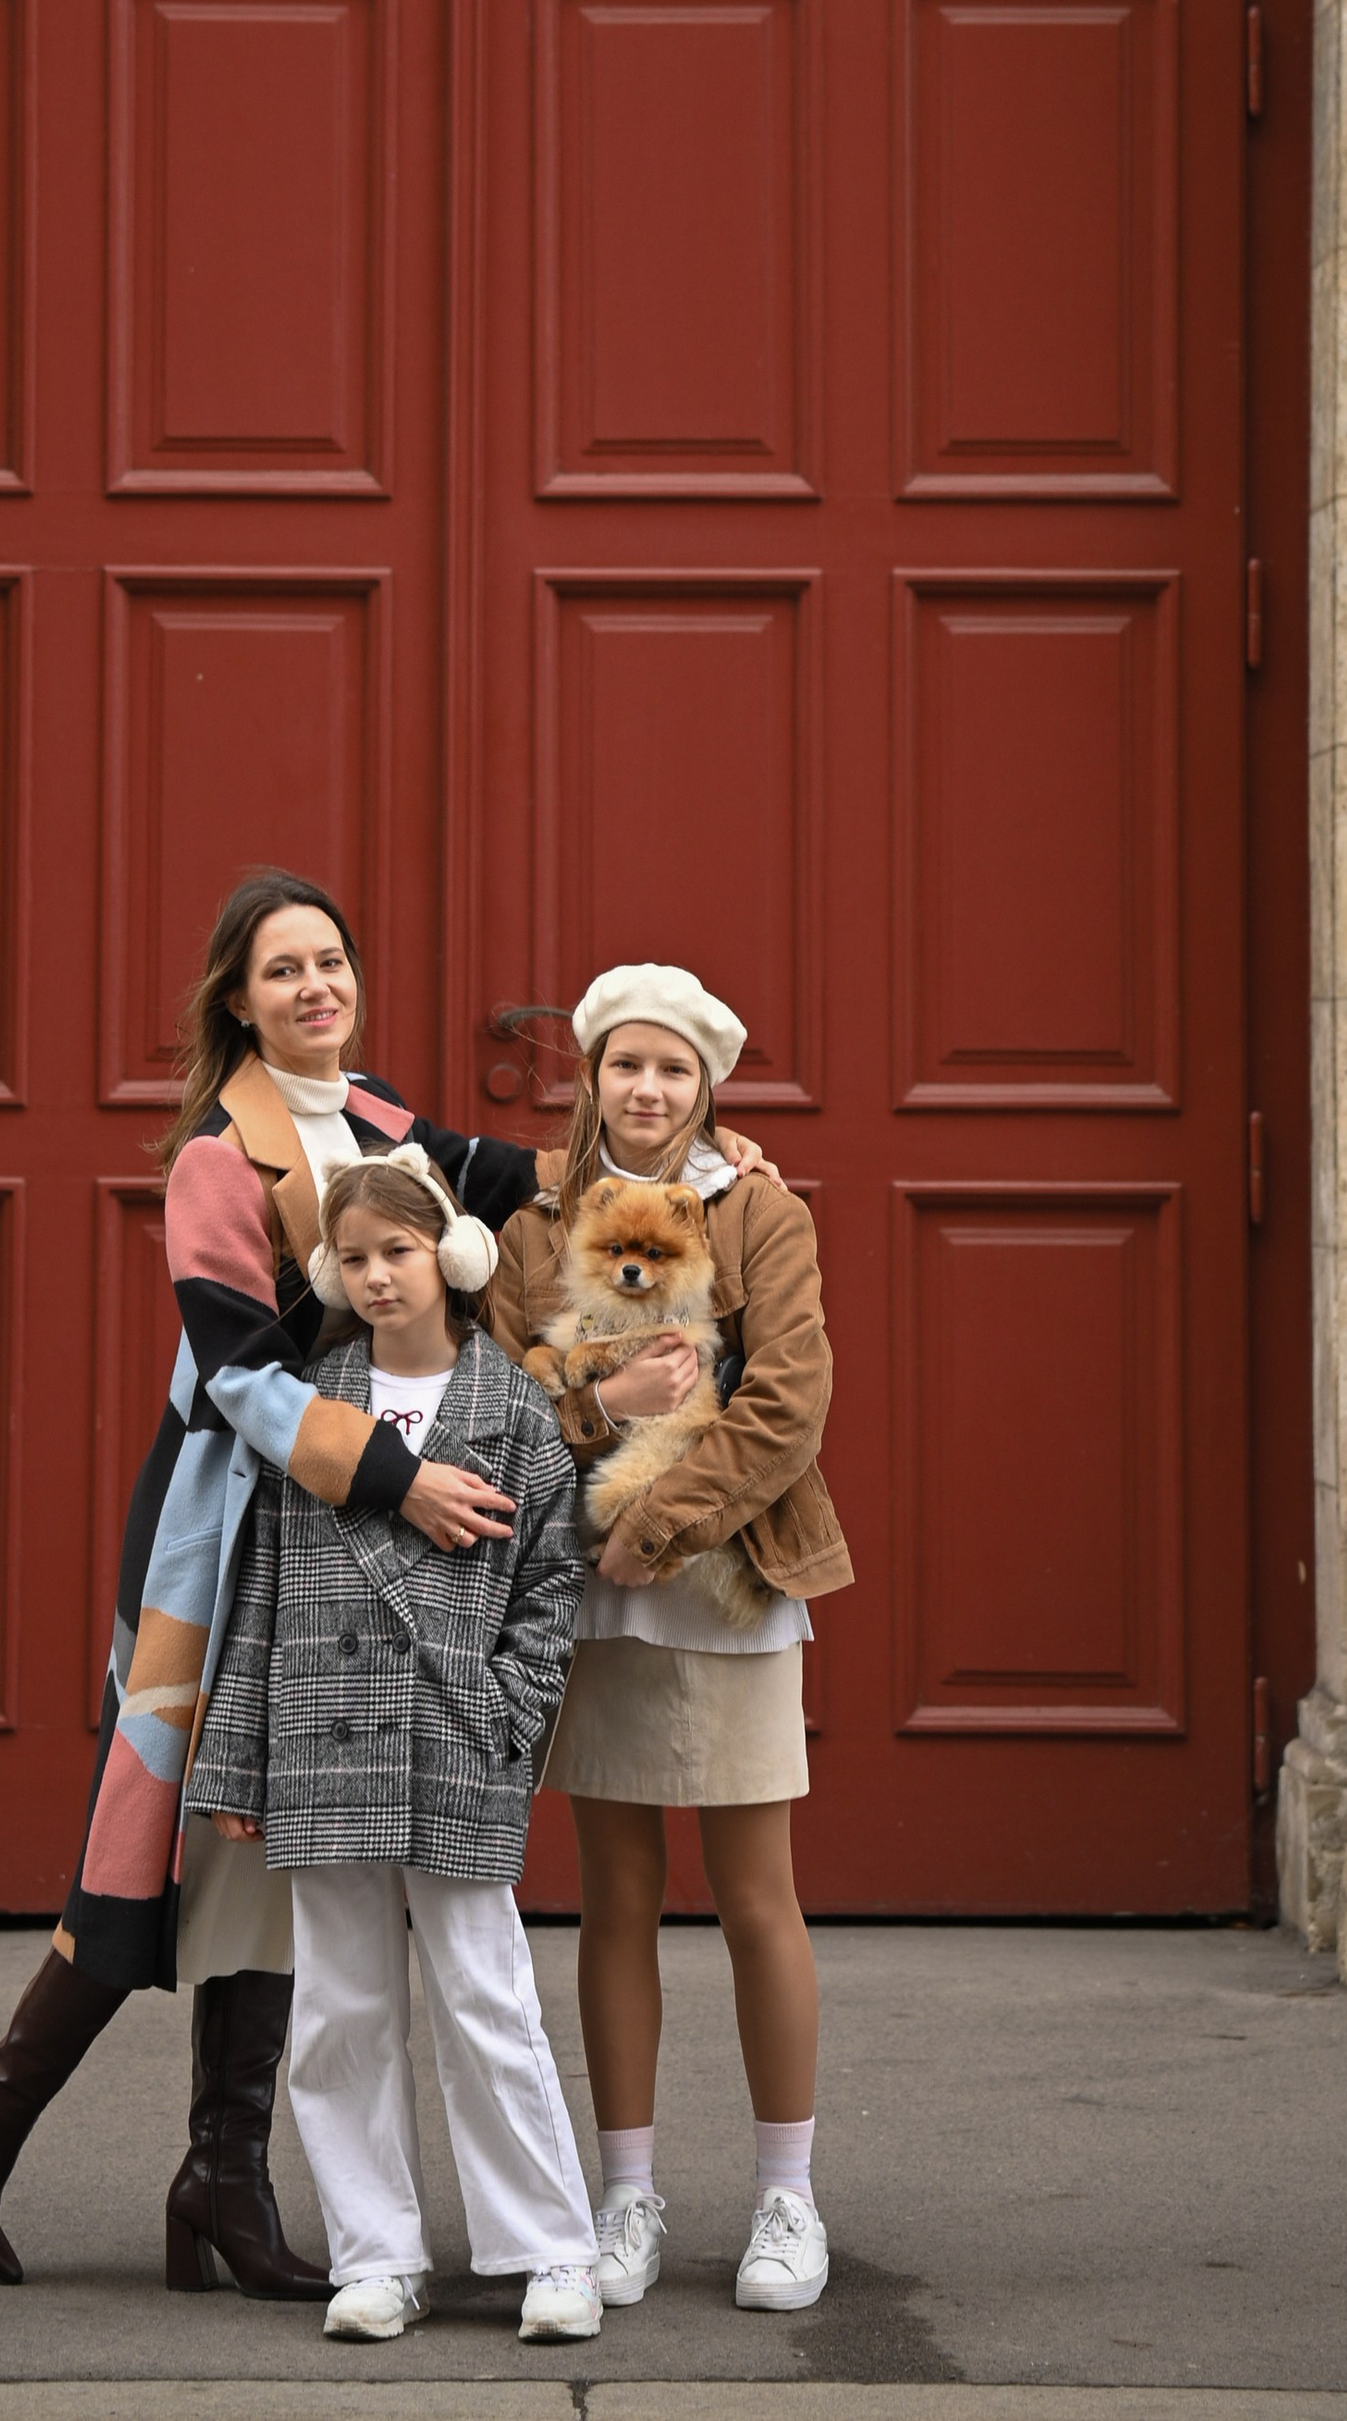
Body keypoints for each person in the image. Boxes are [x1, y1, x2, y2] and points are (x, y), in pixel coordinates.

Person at [0, 873, 769, 2292]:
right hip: (229, 1525)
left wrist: (707, 1156)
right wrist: (395, 1474)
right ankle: (0, 2102)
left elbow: (538, 1177)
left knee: (271, 1844)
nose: (316, 985)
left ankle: (212, 2174)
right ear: (238, 997)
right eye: (284, 968)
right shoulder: (211, 1159)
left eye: (333, 961)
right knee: (173, 1835)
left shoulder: (379, 1119)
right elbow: (236, 1374)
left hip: (338, 1514)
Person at [487, 962, 853, 2318]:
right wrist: (603, 1411)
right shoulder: (532, 1216)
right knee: (615, 1894)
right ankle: (624, 2189)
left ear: (710, 1085)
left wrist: (668, 1523)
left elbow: (790, 1400)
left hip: (731, 1582)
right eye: (625, 1063)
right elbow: (506, 1396)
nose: (647, 1089)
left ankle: (787, 2191)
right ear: (591, 1071)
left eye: (675, 1069)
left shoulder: (759, 1207)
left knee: (759, 1893)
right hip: (589, 1593)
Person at [190, 1153, 600, 2345]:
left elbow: (547, 1592)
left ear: (451, 1257)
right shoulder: (313, 1413)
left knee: (486, 1994)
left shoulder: (513, 1412)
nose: (376, 1276)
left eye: (398, 1252)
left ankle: (550, 2248)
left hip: (453, 1735)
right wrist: (234, 1763)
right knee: (339, 2008)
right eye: (353, 1257)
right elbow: (256, 1594)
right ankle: (376, 2252)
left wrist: (508, 1720)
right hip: (319, 1735)